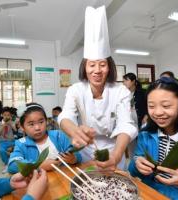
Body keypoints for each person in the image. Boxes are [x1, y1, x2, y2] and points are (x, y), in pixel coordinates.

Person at [58, 6, 137, 171]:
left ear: (110, 67)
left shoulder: (121, 91)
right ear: (84, 67)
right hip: (86, 151)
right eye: (92, 65)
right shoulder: (75, 90)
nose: (97, 70)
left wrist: (115, 157)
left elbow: (126, 125)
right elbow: (65, 116)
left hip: (115, 149)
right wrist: (74, 131)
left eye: (102, 64)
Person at [8, 103, 82, 173]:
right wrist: (38, 166)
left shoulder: (58, 136)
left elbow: (77, 155)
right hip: (39, 182)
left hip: (63, 178)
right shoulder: (21, 143)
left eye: (41, 122)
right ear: (22, 127)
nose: (37, 128)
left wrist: (73, 159)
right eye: (31, 124)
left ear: (46, 121)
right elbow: (12, 165)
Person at [0, 107, 16, 173]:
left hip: (12, 141)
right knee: (1, 151)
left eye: (8, 115)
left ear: (10, 116)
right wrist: (3, 125)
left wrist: (11, 124)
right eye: (5, 115)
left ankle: (14, 162)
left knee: (20, 146)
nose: (6, 116)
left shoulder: (12, 122)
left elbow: (15, 130)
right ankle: (7, 164)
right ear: (2, 115)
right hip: (3, 142)